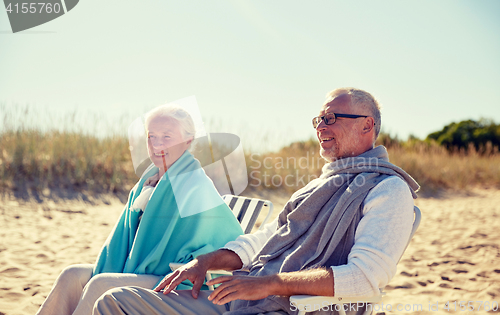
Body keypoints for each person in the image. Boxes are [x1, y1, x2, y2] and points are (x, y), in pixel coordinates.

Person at [92, 88, 420, 315]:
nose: (321, 126)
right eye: (318, 119)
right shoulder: (320, 186)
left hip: (285, 305)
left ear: (367, 125)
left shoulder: (387, 190)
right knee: (112, 299)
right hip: (242, 297)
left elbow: (363, 279)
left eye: (332, 117)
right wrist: (207, 261)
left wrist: (268, 285)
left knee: (114, 301)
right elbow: (266, 238)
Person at [36, 105, 243, 315]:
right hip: (136, 267)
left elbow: (218, 234)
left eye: (167, 136)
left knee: (100, 284)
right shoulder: (150, 179)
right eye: (151, 136)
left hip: (171, 278)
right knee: (70, 275)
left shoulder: (193, 182)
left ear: (187, 140)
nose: (157, 144)